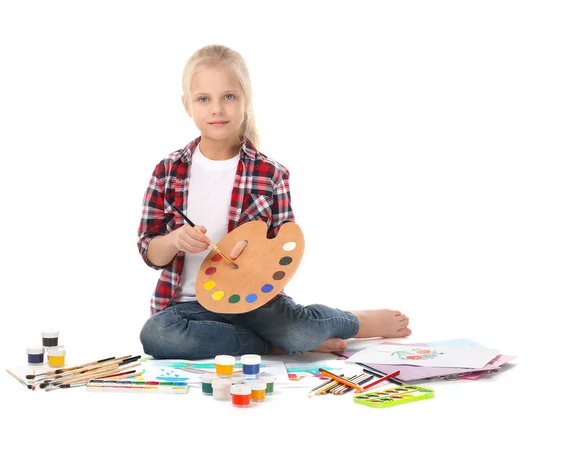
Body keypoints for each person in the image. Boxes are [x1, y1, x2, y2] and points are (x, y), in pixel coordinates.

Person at [138, 44, 411, 360]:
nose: (217, 109)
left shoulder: (270, 174)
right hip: (188, 307)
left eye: (229, 96)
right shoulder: (168, 171)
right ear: (187, 105)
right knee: (156, 336)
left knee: (298, 330)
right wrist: (175, 240)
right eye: (204, 99)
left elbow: (284, 248)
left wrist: (251, 253)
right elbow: (150, 252)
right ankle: (272, 344)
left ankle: (352, 321)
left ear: (246, 100)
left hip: (253, 301)